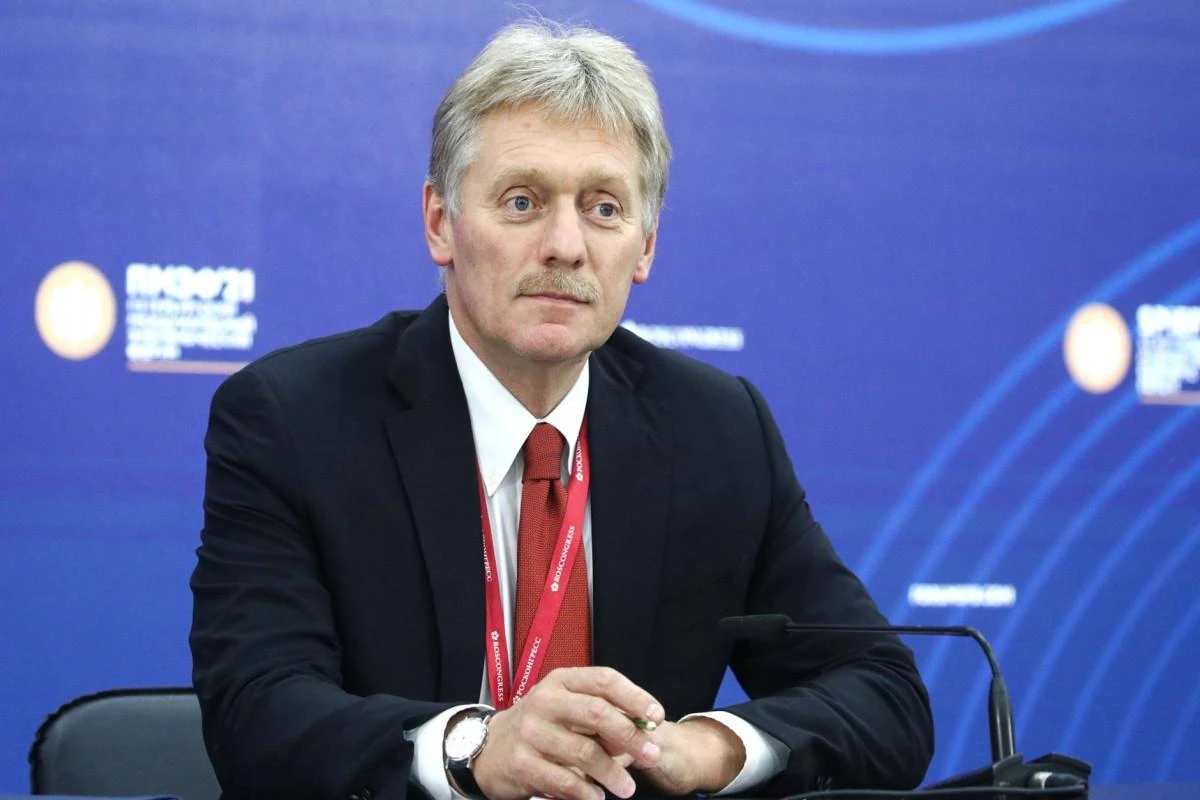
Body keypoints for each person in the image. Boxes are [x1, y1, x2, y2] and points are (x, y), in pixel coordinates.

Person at [189, 20, 933, 800]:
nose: (566, 245)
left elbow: (884, 693)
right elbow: (258, 714)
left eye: (604, 208)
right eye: (523, 201)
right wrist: (475, 748)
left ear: (645, 247)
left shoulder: (717, 431)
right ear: (441, 223)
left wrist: (703, 748)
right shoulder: (295, 421)